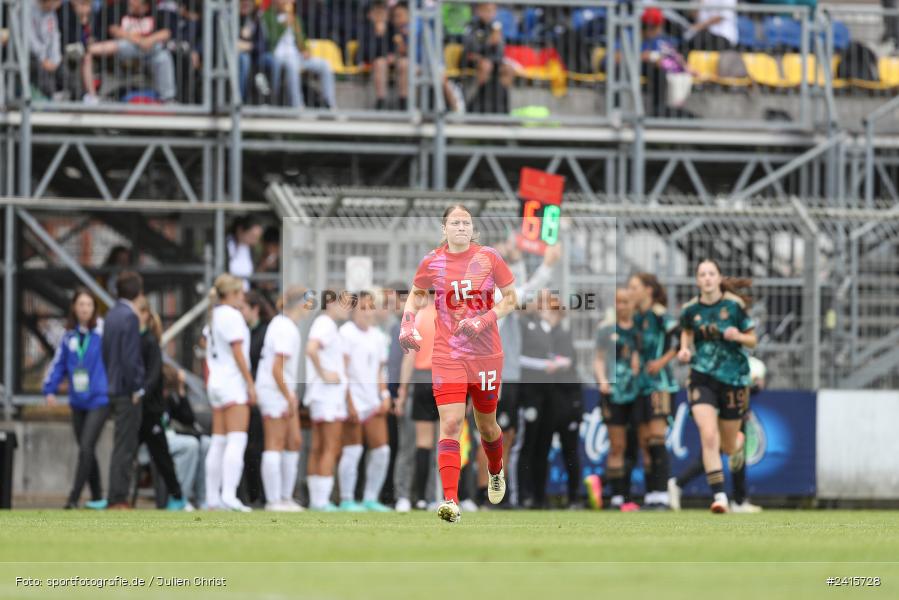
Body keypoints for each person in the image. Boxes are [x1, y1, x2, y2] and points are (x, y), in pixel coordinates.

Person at [398, 204, 517, 523]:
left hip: (486, 355)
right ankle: (450, 499)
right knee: (450, 424)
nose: (462, 227)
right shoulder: (433, 261)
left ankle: (495, 469)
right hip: (448, 355)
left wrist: (483, 320)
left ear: (472, 228)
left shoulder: (489, 257)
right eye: (455, 222)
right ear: (445, 229)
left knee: (487, 426)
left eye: (466, 222)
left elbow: (511, 299)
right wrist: (407, 323)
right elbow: (415, 295)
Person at [481, 236, 559, 508]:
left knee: (505, 435)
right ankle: (484, 493)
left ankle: (497, 492)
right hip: (493, 377)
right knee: (491, 434)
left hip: (507, 377)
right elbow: (524, 290)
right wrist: (546, 265)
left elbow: (520, 289)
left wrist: (518, 259)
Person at [677, 259, 757, 514]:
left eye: (712, 274)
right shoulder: (690, 310)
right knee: (708, 435)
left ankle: (737, 444)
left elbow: (753, 340)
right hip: (702, 377)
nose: (707, 278)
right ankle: (720, 497)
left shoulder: (734, 307)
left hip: (733, 379)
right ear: (697, 280)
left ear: (719, 278)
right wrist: (685, 350)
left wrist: (738, 336)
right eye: (702, 274)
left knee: (728, 446)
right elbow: (687, 333)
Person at [668, 356, 766, 513]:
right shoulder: (711, 362)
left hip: (733, 410)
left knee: (728, 454)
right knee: (714, 453)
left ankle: (739, 500)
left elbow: (745, 387)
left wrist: (745, 407)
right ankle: (679, 484)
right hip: (720, 411)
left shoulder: (746, 362)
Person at [43, 287, 110, 509]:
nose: (85, 309)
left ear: (94, 308)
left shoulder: (102, 332)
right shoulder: (68, 336)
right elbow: (59, 364)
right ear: (74, 307)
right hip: (77, 401)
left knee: (86, 447)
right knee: (86, 449)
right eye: (81, 304)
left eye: (89, 305)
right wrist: (49, 389)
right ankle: (99, 496)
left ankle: (73, 498)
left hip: (99, 399)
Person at [518, 291, 580, 509]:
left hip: (559, 396)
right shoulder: (533, 328)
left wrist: (555, 364)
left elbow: (568, 360)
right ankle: (531, 495)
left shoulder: (559, 331)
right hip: (539, 395)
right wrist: (545, 365)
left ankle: (560, 496)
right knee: (534, 446)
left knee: (558, 448)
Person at [204, 273, 256, 512]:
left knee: (219, 441)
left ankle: (212, 497)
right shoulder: (233, 316)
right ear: (233, 294)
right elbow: (237, 352)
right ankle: (229, 495)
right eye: (240, 293)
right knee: (237, 439)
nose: (242, 297)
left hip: (216, 382)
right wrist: (250, 382)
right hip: (232, 382)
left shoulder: (213, 315)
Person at [256, 287, 311, 511]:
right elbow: (276, 369)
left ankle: (286, 497)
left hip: (283, 391)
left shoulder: (289, 327)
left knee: (294, 441)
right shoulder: (283, 327)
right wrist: (288, 395)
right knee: (275, 443)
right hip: (273, 390)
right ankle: (273, 500)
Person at [627, 272, 679, 510]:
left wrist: (661, 361)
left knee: (658, 438)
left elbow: (679, 341)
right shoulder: (638, 317)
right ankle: (651, 495)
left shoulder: (660, 315)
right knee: (645, 441)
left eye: (634, 287)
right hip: (641, 386)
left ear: (648, 290)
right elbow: (636, 345)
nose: (630, 292)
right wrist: (636, 358)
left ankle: (663, 495)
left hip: (660, 384)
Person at [337, 291, 392, 512]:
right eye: (362, 308)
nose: (367, 313)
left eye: (370, 308)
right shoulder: (346, 333)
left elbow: (380, 370)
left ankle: (371, 498)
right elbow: (343, 370)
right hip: (352, 399)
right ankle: (347, 498)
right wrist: (348, 401)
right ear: (353, 311)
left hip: (372, 401)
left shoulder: (378, 336)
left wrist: (385, 395)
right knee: (353, 450)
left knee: (382, 451)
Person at [135, 298, 187, 510]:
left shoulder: (149, 342)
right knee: (125, 452)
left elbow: (153, 376)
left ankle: (177, 496)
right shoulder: (130, 340)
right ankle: (115, 496)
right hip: (135, 409)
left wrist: (141, 392)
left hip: (151, 410)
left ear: (146, 315)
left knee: (161, 456)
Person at [304, 290, 352, 511]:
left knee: (319, 446)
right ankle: (321, 501)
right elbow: (311, 349)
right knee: (330, 446)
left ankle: (316, 500)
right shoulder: (325, 324)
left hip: (321, 395)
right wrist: (324, 374)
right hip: (327, 395)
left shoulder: (328, 325)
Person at [594, 288, 641, 511]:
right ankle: (616, 497)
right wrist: (602, 380)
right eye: (618, 302)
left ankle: (627, 494)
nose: (622, 306)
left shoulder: (641, 330)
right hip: (614, 394)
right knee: (617, 445)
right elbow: (599, 359)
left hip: (637, 392)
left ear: (634, 303)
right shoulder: (606, 331)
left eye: (626, 301)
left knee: (636, 446)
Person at [102, 270, 146, 510]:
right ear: (138, 292)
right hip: (126, 390)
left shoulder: (111, 314)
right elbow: (131, 358)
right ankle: (119, 498)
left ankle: (116, 495)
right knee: (126, 446)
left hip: (112, 385)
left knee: (119, 443)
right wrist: (137, 386)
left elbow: (107, 352)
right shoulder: (130, 316)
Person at [81, 0, 176, 103]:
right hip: (122, 52)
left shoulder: (155, 11)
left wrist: (149, 41)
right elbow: (114, 30)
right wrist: (140, 41)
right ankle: (92, 97)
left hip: (150, 53)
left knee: (162, 56)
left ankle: (167, 99)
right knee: (125, 45)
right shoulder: (120, 8)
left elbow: (166, 32)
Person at [396, 294, 437, 511]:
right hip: (446, 380)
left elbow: (409, 356)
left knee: (422, 443)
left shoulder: (418, 316)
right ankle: (435, 496)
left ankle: (419, 497)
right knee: (445, 443)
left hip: (422, 381)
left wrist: (402, 391)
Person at [261, 0, 337, 109]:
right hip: (278, 56)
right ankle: (298, 106)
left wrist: (305, 49)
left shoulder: (295, 18)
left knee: (325, 65)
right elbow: (270, 40)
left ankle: (330, 104)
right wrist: (283, 25)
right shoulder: (267, 16)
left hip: (296, 55)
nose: (288, 3)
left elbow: (302, 40)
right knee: (292, 65)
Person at [238, 290, 274, 506]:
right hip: (244, 396)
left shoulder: (265, 332)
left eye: (243, 308)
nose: (240, 312)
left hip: (260, 397)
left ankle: (260, 495)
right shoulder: (243, 332)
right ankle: (249, 495)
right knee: (246, 447)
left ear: (255, 309)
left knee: (258, 447)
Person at [461, 2, 513, 114]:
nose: (490, 14)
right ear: (478, 11)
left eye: (492, 11)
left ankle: (503, 108)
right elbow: (469, 47)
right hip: (471, 59)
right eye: (487, 11)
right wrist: (488, 42)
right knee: (485, 65)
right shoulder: (472, 26)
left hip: (492, 60)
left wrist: (497, 43)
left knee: (508, 69)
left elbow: (500, 52)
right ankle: (475, 105)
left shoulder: (495, 27)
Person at [30, 0, 66, 100]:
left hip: (49, 56)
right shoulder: (29, 8)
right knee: (40, 71)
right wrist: (43, 59)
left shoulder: (51, 12)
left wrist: (56, 59)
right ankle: (51, 97)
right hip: (33, 54)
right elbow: (30, 38)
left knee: (63, 68)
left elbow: (55, 35)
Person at [227, 216, 263, 287]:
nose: (255, 241)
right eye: (252, 236)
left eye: (257, 238)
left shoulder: (252, 251)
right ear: (240, 231)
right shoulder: (227, 246)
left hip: (245, 293)